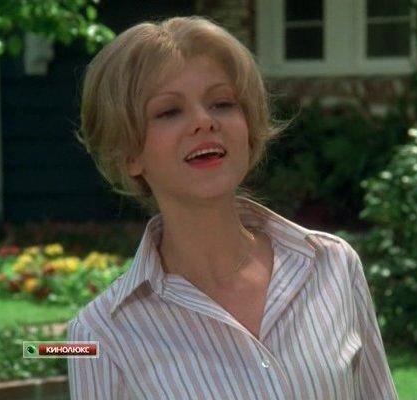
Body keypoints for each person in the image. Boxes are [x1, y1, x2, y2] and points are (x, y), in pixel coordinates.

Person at [67, 15, 398, 399]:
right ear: (128, 155)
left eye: (222, 103)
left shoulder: (332, 265)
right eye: (169, 111)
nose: (204, 121)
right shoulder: (101, 334)